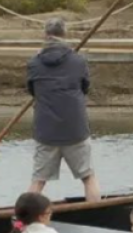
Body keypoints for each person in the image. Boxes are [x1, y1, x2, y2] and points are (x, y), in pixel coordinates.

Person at [27, 18, 100, 201]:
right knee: (88, 177)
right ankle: (96, 214)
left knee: (38, 181)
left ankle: (22, 221)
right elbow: (85, 88)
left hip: (46, 130)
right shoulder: (78, 61)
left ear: (45, 34)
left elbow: (32, 91)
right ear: (64, 34)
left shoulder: (34, 63)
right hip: (75, 128)